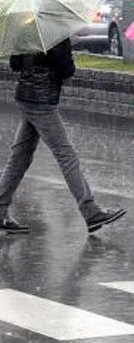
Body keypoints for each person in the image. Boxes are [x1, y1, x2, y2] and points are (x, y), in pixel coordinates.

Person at [0, 39, 125, 235]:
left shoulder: (26, 32)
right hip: (42, 102)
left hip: (26, 97)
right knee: (66, 155)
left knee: (20, 158)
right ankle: (90, 211)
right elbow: (66, 69)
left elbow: (15, 64)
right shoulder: (57, 36)